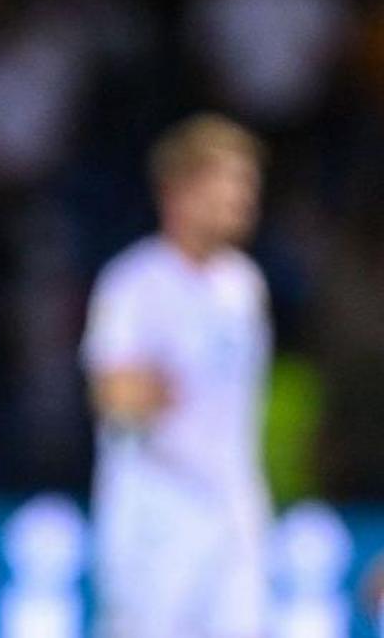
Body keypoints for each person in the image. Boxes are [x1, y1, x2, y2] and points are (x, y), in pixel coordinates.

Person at [80, 114, 272, 638]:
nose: (244, 196)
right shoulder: (134, 283)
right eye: (231, 180)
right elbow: (112, 393)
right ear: (180, 190)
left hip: (234, 514)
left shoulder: (245, 286)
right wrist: (149, 389)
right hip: (157, 520)